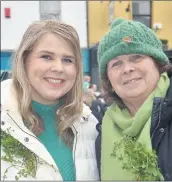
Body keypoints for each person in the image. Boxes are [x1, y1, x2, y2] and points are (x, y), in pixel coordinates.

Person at [1, 19, 99, 181]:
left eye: (67, 60)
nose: (58, 68)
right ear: (24, 60)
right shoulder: (4, 117)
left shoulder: (88, 124)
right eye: (46, 57)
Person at [96, 18, 172, 180]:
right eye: (116, 64)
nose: (127, 69)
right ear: (109, 80)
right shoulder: (102, 133)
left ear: (158, 64)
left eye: (136, 57)